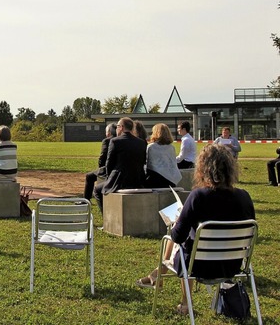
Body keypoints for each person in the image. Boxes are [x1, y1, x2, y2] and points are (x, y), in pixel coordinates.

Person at [136, 144, 255, 315]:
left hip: (198, 266)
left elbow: (177, 236)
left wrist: (178, 221)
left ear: (203, 169)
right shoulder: (244, 196)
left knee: (181, 242)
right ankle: (158, 277)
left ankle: (183, 302)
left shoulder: (198, 196)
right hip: (232, 265)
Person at [93, 117, 147, 213]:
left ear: (121, 127)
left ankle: (106, 219)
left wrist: (109, 178)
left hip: (120, 180)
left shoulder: (115, 141)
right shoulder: (141, 143)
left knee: (97, 190)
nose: (116, 129)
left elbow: (109, 163)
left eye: (117, 126)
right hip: (137, 179)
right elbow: (142, 161)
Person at [83, 123, 116, 200]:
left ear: (109, 132)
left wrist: (101, 168)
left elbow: (103, 157)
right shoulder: (121, 139)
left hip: (107, 168)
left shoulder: (107, 141)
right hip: (118, 168)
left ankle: (86, 200)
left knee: (89, 176)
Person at [144, 123, 182, 188]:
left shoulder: (151, 147)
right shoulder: (171, 147)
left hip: (158, 180)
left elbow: (149, 166)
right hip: (173, 179)